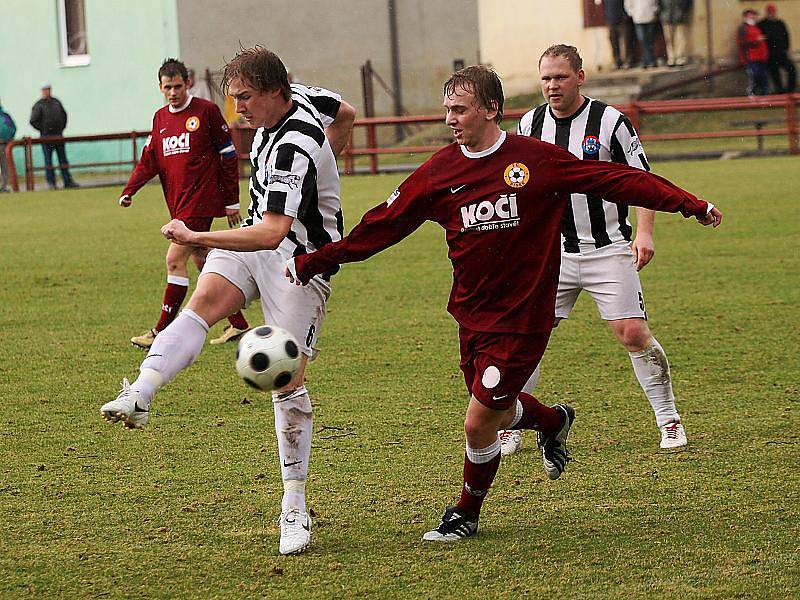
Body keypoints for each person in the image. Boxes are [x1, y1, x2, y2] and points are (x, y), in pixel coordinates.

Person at [284, 65, 722, 542]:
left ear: (492, 109)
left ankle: (465, 515)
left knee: (478, 422)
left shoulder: (537, 160)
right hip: (471, 314)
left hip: (525, 316)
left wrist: (689, 204)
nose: (451, 119)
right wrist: (316, 260)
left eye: (460, 109)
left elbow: (617, 180)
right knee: (496, 406)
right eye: (447, 109)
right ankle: (554, 421)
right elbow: (383, 224)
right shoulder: (440, 172)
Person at [101, 46, 356, 556]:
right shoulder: (302, 93)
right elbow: (345, 112)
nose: (237, 108)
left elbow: (272, 234)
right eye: (232, 95)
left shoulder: (295, 146)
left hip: (298, 259)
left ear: (271, 91)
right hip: (257, 234)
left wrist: (198, 237)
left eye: (243, 98)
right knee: (203, 301)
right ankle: (141, 393)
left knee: (287, 379)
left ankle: (294, 506)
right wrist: (336, 156)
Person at [499, 43, 690, 458]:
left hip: (608, 249)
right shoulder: (530, 124)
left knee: (634, 333)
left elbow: (641, 180)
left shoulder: (611, 122)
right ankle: (509, 421)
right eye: (546, 78)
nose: (552, 85)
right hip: (551, 256)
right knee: (525, 337)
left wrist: (645, 233)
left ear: (580, 77)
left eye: (561, 77)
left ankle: (668, 418)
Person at [120, 58, 250, 349]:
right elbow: (150, 158)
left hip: (201, 200)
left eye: (178, 86)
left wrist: (231, 200)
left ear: (187, 83)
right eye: (168, 87)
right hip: (179, 204)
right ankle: (238, 324)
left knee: (174, 259)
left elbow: (228, 155)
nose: (173, 92)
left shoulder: (206, 111)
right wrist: (131, 190)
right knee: (201, 259)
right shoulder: (160, 118)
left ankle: (160, 332)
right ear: (160, 87)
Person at [29, 84, 78, 189]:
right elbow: (33, 121)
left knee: (63, 160)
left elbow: (64, 115)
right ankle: (51, 183)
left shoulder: (56, 102)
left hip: (58, 135)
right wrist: (44, 129)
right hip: (46, 137)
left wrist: (61, 127)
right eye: (45, 90)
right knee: (48, 161)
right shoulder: (39, 105)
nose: (47, 92)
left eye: (48, 89)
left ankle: (67, 181)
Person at [758, 4, 796, 93]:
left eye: (773, 12)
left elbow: (786, 36)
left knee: (792, 70)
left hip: (781, 53)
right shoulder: (761, 24)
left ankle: (790, 90)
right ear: (767, 13)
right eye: (770, 12)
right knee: (775, 74)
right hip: (770, 55)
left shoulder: (780, 23)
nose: (772, 14)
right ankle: (780, 91)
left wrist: (786, 49)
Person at [737, 9, 770, 96]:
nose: (752, 17)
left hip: (760, 57)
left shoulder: (756, 27)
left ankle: (764, 96)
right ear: (745, 17)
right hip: (750, 58)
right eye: (750, 15)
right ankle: (752, 96)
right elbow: (742, 43)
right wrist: (756, 41)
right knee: (754, 77)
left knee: (763, 77)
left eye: (753, 15)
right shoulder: (743, 28)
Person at [625, 0, 660, 68]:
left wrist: (654, 10)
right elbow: (628, 3)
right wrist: (632, 13)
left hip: (650, 16)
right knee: (642, 39)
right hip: (638, 18)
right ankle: (650, 60)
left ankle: (647, 60)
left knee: (650, 39)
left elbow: (656, 2)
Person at [605, 0, 638, 69]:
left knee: (627, 39)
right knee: (613, 40)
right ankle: (617, 61)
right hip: (611, 19)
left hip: (622, 18)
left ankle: (628, 60)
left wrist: (626, 15)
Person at [659, 0, 693, 66]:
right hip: (667, 16)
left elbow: (688, 3)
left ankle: (680, 58)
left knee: (681, 38)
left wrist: (684, 11)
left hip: (681, 16)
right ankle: (671, 58)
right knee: (669, 39)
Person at [0, 99, 16, 193]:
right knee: (4, 167)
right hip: (5, 144)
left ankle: (3, 187)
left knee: (4, 166)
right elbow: (13, 128)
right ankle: (3, 187)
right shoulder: (5, 116)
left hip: (4, 145)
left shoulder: (5, 116)